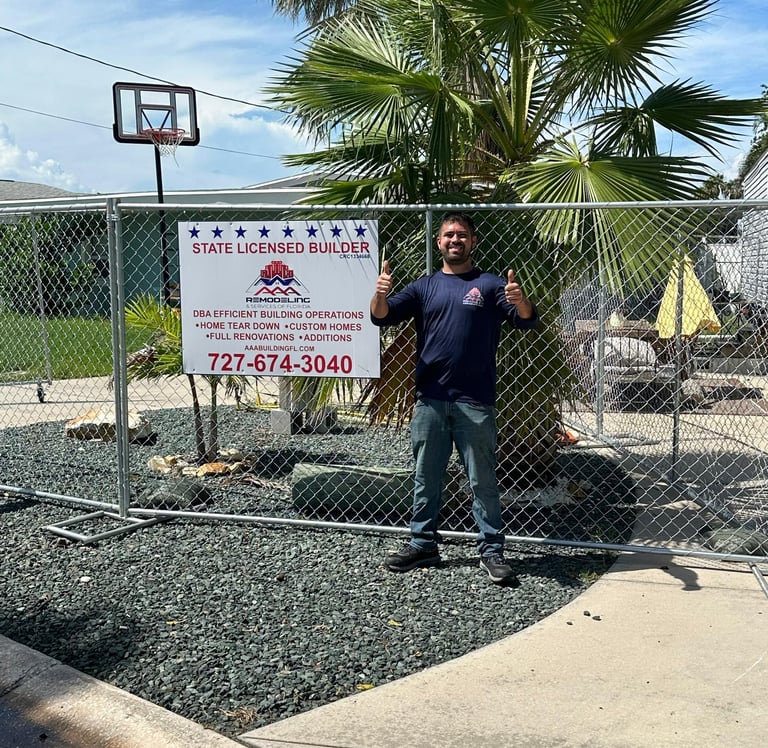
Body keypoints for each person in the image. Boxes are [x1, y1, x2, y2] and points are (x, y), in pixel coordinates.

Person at [370, 211, 539, 585]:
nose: (455, 240)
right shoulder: (424, 286)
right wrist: (379, 293)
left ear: (473, 242)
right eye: (448, 235)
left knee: (482, 479)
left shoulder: (492, 285)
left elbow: (525, 320)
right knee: (426, 475)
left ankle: (492, 550)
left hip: (474, 401)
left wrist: (521, 300)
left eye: (462, 235)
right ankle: (423, 544)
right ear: (439, 243)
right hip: (430, 399)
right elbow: (381, 317)